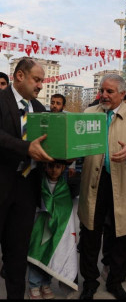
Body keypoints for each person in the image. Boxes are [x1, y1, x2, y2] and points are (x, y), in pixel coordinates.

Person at [78, 74, 126, 300]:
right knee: (90, 234)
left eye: (110, 91)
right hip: (94, 182)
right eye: (102, 90)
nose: (104, 95)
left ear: (122, 93)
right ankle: (90, 282)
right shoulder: (89, 113)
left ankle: (115, 282)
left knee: (121, 236)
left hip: (122, 184)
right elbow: (77, 142)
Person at [0, 57, 54, 299]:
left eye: (42, 81)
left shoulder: (41, 110)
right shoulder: (1, 100)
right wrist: (25, 149)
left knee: (17, 254)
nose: (41, 85)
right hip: (1, 186)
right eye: (37, 79)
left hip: (26, 191)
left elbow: (49, 143)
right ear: (20, 76)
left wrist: (63, 158)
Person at [27, 160, 78, 299]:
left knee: (52, 252)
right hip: (40, 225)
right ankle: (34, 284)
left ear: (63, 168)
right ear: (45, 166)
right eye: (50, 166)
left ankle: (46, 284)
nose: (54, 170)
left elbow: (66, 209)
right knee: (37, 251)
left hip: (56, 226)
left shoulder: (65, 187)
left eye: (57, 167)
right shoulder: (39, 183)